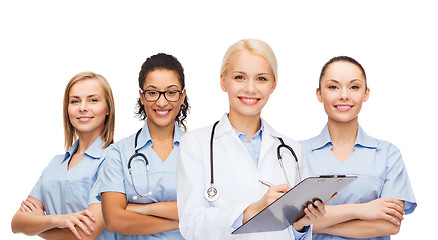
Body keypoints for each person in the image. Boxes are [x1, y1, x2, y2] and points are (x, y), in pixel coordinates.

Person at [176, 39, 326, 240]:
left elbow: (293, 232)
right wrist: (251, 211)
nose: (250, 88)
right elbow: (191, 225)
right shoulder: (195, 145)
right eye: (239, 77)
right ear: (223, 81)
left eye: (261, 79)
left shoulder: (291, 149)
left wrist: (301, 225)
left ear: (273, 84)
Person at [300, 56, 417, 239]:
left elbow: (390, 224)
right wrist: (362, 210)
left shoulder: (387, 154)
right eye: (333, 87)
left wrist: (313, 225)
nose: (344, 95)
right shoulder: (296, 153)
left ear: (366, 93)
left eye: (354, 87)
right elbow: (287, 221)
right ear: (319, 94)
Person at [11, 71, 116, 240]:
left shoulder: (113, 160)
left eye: (93, 100)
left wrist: (38, 226)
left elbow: (86, 233)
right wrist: (57, 220)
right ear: (67, 109)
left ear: (108, 109)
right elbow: (16, 223)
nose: (82, 107)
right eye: (75, 101)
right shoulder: (55, 164)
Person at [96, 53, 189, 240]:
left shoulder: (201, 151)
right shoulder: (118, 154)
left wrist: (142, 209)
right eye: (153, 92)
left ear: (182, 96)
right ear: (142, 96)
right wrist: (183, 219)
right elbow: (114, 221)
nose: (162, 102)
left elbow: (211, 211)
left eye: (171, 92)